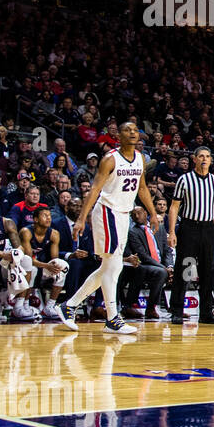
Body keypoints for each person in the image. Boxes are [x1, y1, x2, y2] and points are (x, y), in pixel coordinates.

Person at [59, 120, 159, 334]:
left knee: (109, 268)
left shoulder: (140, 158)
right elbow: (95, 189)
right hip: (107, 212)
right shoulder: (109, 159)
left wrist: (152, 213)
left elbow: (141, 188)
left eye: (135, 130)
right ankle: (112, 318)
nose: (133, 133)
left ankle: (69, 305)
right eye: (127, 130)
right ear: (118, 136)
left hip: (124, 214)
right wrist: (80, 219)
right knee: (113, 267)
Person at [167, 146, 214, 323]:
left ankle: (206, 313)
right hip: (189, 227)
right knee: (185, 269)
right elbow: (174, 207)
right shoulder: (184, 179)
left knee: (207, 271)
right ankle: (177, 310)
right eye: (201, 156)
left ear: (211, 160)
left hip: (208, 228)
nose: (204, 159)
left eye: (208, 156)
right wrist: (171, 232)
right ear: (194, 159)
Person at [118, 206, 169, 321]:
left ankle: (177, 308)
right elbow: (142, 255)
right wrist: (164, 267)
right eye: (134, 214)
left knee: (183, 269)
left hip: (160, 264)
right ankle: (151, 308)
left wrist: (170, 266)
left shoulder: (159, 228)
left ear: (146, 213)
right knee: (160, 272)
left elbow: (167, 250)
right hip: (145, 264)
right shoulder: (132, 231)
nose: (136, 216)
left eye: (139, 213)